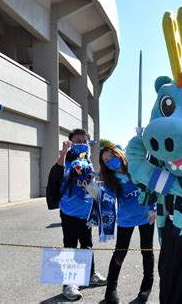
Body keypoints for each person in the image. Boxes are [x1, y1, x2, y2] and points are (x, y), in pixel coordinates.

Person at [99, 145, 156, 304]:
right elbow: (107, 196)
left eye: (111, 157)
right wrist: (93, 191)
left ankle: (146, 288)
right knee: (119, 253)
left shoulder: (136, 166)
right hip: (126, 219)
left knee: (147, 250)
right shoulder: (111, 177)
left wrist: (153, 209)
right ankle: (110, 291)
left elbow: (151, 186)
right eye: (106, 161)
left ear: (119, 153)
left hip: (146, 216)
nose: (110, 162)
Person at [56, 129, 107, 301]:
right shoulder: (67, 160)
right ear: (70, 142)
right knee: (70, 245)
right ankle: (69, 283)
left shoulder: (88, 162)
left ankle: (91, 274)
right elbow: (58, 172)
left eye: (84, 141)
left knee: (87, 244)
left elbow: (91, 183)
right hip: (69, 211)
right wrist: (64, 152)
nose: (81, 144)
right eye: (77, 141)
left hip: (86, 212)